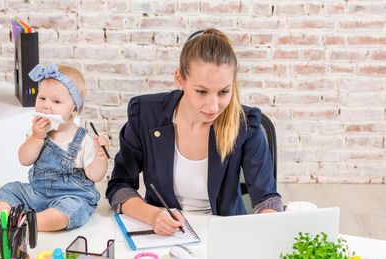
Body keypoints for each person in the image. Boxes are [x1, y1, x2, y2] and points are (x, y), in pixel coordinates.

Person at [106, 28, 283, 236]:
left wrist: (270, 231)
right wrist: (152, 215)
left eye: (224, 92)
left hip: (223, 236)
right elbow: (119, 186)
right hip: (163, 236)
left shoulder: (246, 125)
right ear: (180, 79)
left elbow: (267, 198)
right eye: (201, 91)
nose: (213, 107)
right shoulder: (145, 114)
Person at [0, 63, 109, 232]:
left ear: (74, 110)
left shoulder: (83, 139)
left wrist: (100, 156)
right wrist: (36, 137)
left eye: (56, 101)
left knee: (71, 210)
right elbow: (24, 159)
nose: (46, 105)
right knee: (10, 189)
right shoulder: (36, 132)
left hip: (71, 196)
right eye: (42, 98)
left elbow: (95, 175)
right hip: (37, 194)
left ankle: (25, 222)